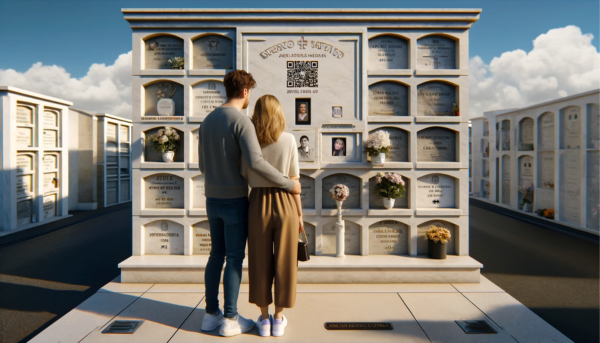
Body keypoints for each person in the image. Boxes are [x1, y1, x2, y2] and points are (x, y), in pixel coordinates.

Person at [197, 70, 301, 337]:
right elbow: (255, 163)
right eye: (249, 93)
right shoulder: (241, 121)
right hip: (235, 200)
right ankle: (230, 319)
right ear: (245, 92)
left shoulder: (207, 121)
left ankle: (210, 314)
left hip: (211, 198)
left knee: (214, 256)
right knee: (234, 259)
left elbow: (201, 165)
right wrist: (289, 184)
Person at [241, 94, 303, 337]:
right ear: (279, 113)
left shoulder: (249, 141)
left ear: (256, 114)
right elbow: (294, 179)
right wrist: (299, 214)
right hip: (287, 202)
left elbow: (244, 174)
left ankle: (264, 319)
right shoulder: (288, 140)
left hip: (257, 203)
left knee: (259, 260)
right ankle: (279, 318)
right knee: (286, 261)